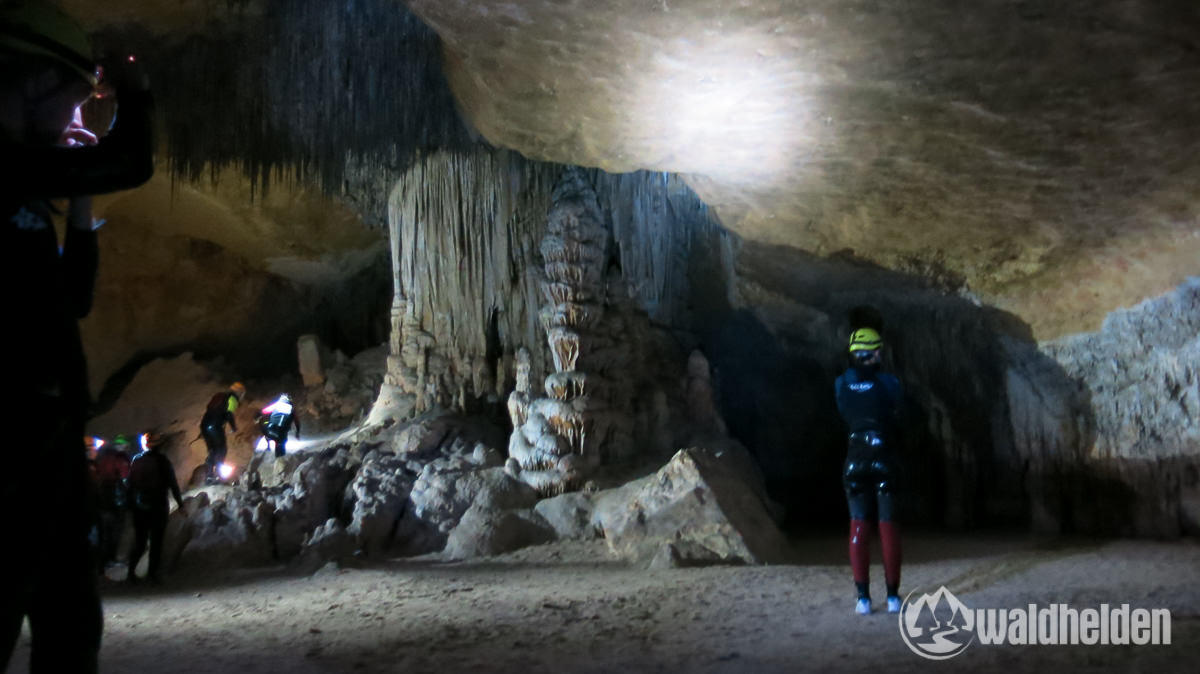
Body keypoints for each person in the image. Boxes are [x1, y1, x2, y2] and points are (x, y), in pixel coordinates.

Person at [1, 2, 153, 671]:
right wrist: (134, 93)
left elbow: (74, 299)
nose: (72, 122)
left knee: (70, 630)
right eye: (68, 102)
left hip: (50, 444)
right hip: (2, 447)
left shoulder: (26, 190)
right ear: (28, 80)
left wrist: (81, 207)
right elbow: (132, 161)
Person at [834, 327, 904, 615]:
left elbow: (843, 411)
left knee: (858, 525)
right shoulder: (889, 382)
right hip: (883, 458)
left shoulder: (840, 384)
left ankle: (862, 598)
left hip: (854, 460)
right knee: (888, 526)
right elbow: (898, 411)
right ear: (876, 353)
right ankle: (892, 597)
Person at [126, 432, 184, 585]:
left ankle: (131, 573)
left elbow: (130, 485)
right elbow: (172, 483)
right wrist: (180, 504)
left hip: (140, 507)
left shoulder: (136, 460)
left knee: (140, 542)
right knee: (156, 542)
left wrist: (130, 504)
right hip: (158, 505)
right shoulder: (162, 461)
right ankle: (152, 575)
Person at [92, 433, 132, 571]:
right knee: (114, 533)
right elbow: (125, 477)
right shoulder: (119, 460)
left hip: (100, 499)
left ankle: (101, 563)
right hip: (115, 501)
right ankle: (109, 560)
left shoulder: (100, 459)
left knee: (102, 533)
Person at [200, 382, 245, 484]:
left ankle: (209, 477)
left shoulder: (219, 396)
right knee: (221, 450)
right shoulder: (232, 399)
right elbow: (229, 414)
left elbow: (209, 409)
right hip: (215, 427)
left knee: (213, 451)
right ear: (238, 392)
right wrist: (233, 427)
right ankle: (218, 476)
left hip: (205, 425)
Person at [258, 393, 300, 458]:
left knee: (266, 424)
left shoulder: (276, 405)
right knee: (280, 441)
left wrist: (258, 418)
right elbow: (297, 422)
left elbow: (264, 411)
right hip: (281, 435)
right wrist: (297, 433)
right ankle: (279, 457)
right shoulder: (292, 410)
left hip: (269, 431)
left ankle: (268, 446)